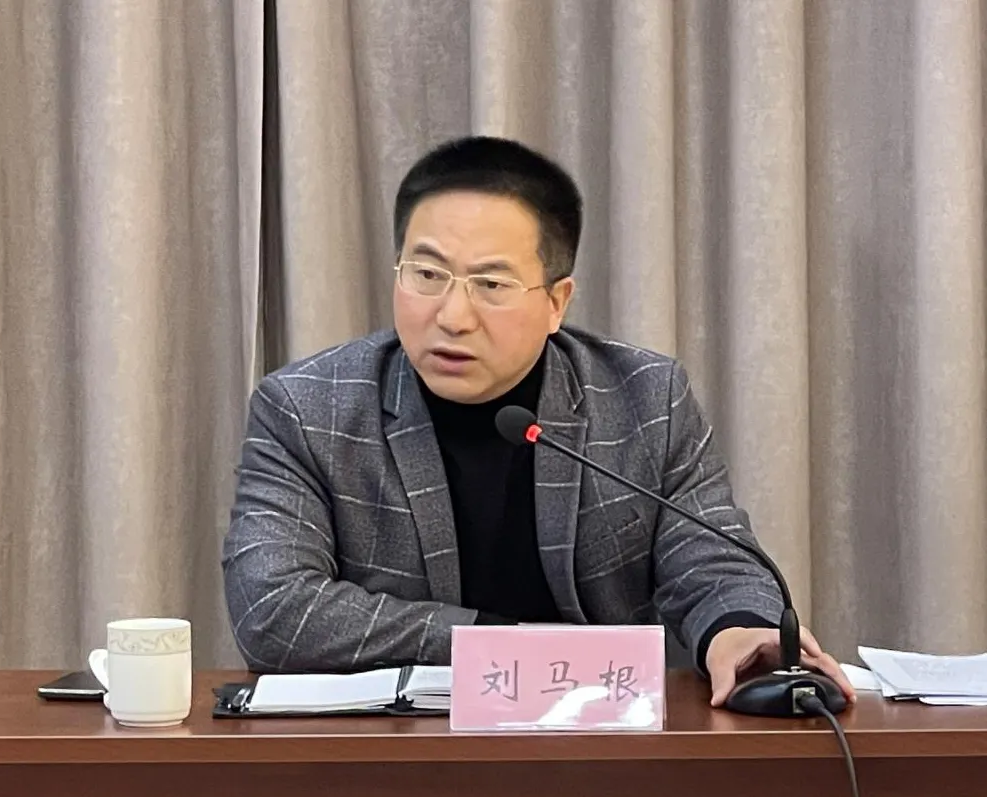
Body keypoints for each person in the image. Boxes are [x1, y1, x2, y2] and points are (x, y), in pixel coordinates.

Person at [221, 135, 854, 708]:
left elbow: (711, 558)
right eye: (427, 275)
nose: (452, 316)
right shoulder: (307, 409)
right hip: (394, 756)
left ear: (556, 302)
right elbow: (274, 610)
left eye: (491, 285)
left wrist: (739, 628)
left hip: (603, 751)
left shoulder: (643, 399)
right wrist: (500, 644)